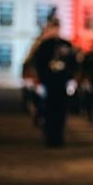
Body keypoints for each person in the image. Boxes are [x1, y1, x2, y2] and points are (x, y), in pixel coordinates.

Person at [28, 13, 78, 147]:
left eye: (57, 27)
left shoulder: (66, 45)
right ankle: (50, 137)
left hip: (62, 82)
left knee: (61, 111)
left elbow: (73, 64)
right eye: (53, 27)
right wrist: (39, 82)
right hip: (49, 82)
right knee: (49, 111)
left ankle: (59, 136)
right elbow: (38, 64)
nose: (55, 30)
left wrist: (72, 79)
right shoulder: (44, 46)